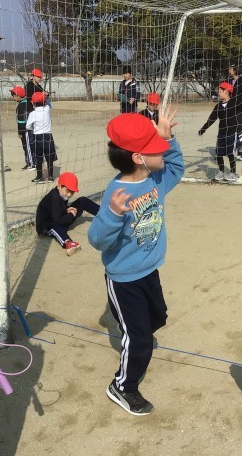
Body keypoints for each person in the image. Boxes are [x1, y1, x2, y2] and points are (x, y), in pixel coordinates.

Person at [88, 108, 183, 416]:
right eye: (157, 147)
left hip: (149, 270)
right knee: (139, 337)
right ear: (139, 158)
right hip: (124, 278)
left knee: (158, 317)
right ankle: (123, 386)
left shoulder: (156, 180)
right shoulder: (117, 194)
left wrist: (169, 138)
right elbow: (96, 239)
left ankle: (137, 334)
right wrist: (113, 216)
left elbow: (176, 167)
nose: (163, 149)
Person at [36, 172, 99, 256]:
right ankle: (68, 243)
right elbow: (57, 220)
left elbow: (59, 209)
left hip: (61, 216)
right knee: (55, 227)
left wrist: (67, 209)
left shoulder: (62, 194)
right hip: (48, 224)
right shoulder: (54, 198)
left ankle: (103, 213)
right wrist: (71, 215)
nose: (69, 194)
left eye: (72, 192)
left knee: (82, 201)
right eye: (67, 191)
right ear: (59, 186)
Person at [198, 81, 239, 182]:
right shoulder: (218, 106)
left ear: (226, 92)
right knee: (219, 153)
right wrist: (203, 129)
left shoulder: (234, 103)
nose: (218, 93)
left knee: (230, 153)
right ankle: (221, 171)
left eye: (220, 91)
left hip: (231, 132)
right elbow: (211, 119)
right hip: (221, 133)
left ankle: (233, 173)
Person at [26, 92, 57, 184]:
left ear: (33, 103)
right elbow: (48, 104)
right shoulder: (47, 109)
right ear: (44, 102)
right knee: (49, 157)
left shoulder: (32, 114)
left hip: (37, 137)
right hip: (48, 136)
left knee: (38, 157)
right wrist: (46, 96)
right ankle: (50, 177)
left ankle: (39, 176)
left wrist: (34, 128)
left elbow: (28, 126)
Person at [10, 86, 34, 171]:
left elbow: (21, 121)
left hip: (26, 130)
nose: (12, 97)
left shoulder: (21, 106)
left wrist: (20, 132)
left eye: (13, 95)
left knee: (27, 146)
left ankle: (31, 163)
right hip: (32, 129)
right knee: (30, 146)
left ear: (18, 95)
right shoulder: (28, 103)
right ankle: (30, 162)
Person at [228, 64, 242, 160]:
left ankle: (240, 151)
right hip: (229, 109)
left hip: (238, 108)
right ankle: (224, 150)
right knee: (227, 129)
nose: (229, 70)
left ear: (235, 71)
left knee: (238, 129)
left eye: (230, 69)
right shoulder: (228, 81)